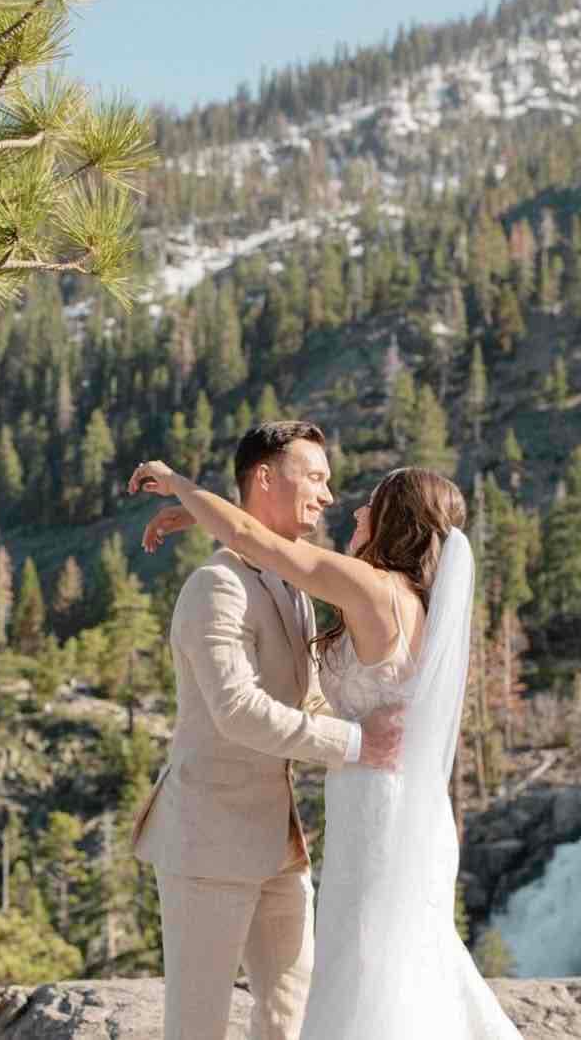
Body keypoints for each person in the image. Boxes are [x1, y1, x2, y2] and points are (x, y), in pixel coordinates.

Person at [129, 456, 523, 1039]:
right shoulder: (417, 601)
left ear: (397, 522)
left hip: (377, 804)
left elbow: (248, 538)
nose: (356, 509)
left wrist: (183, 489)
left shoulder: (371, 587)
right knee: (397, 955)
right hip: (401, 801)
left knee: (364, 960)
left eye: (374, 504)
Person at [128, 421, 405, 1040]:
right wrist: (361, 745)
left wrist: (381, 737)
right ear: (264, 479)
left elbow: (305, 698)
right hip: (206, 842)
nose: (328, 495)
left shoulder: (293, 589)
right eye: (315, 477)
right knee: (197, 1025)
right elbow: (238, 710)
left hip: (280, 847)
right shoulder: (214, 587)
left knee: (290, 1016)